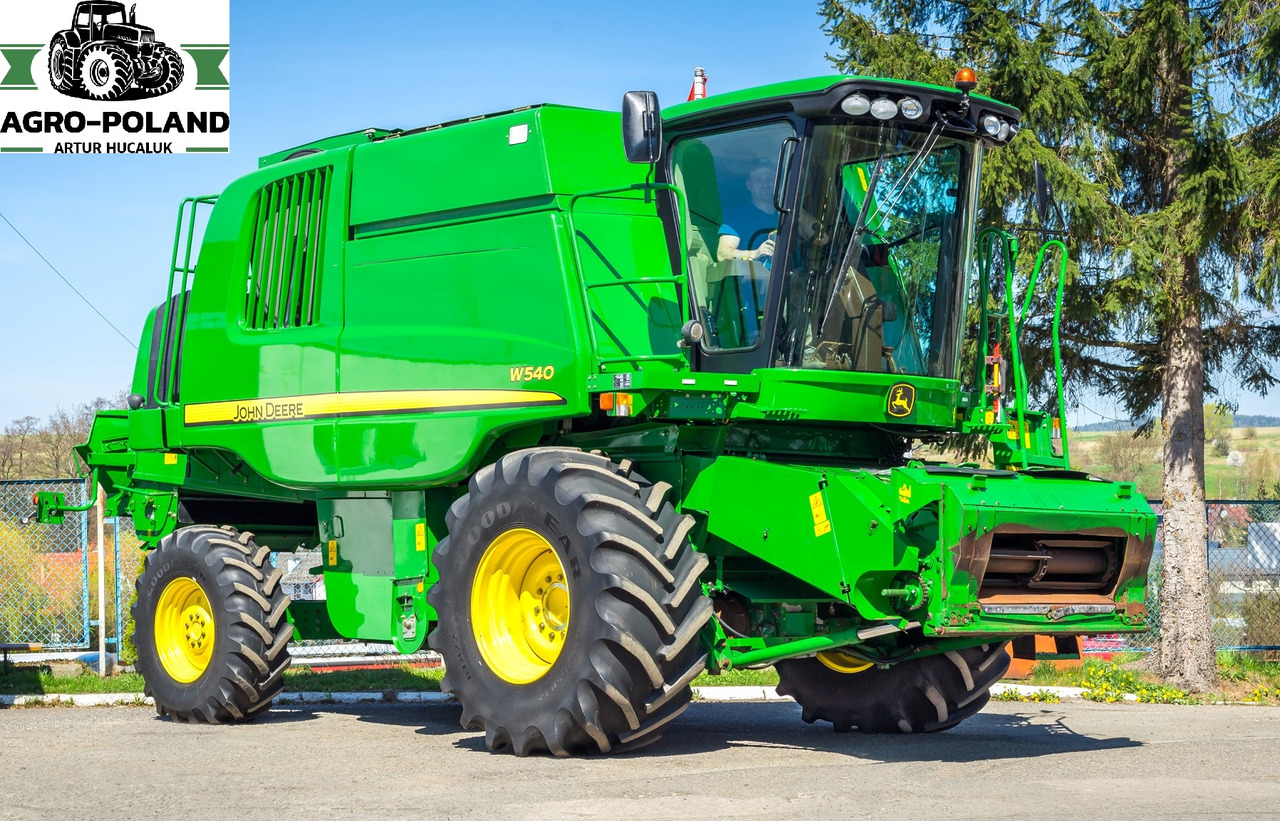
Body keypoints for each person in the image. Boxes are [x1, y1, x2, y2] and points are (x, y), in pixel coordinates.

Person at [717, 160, 779, 263]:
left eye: (770, 179)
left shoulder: (787, 214)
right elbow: (722, 254)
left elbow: (810, 235)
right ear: (748, 185)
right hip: (755, 273)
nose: (765, 185)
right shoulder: (736, 216)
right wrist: (755, 253)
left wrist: (794, 207)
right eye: (758, 180)